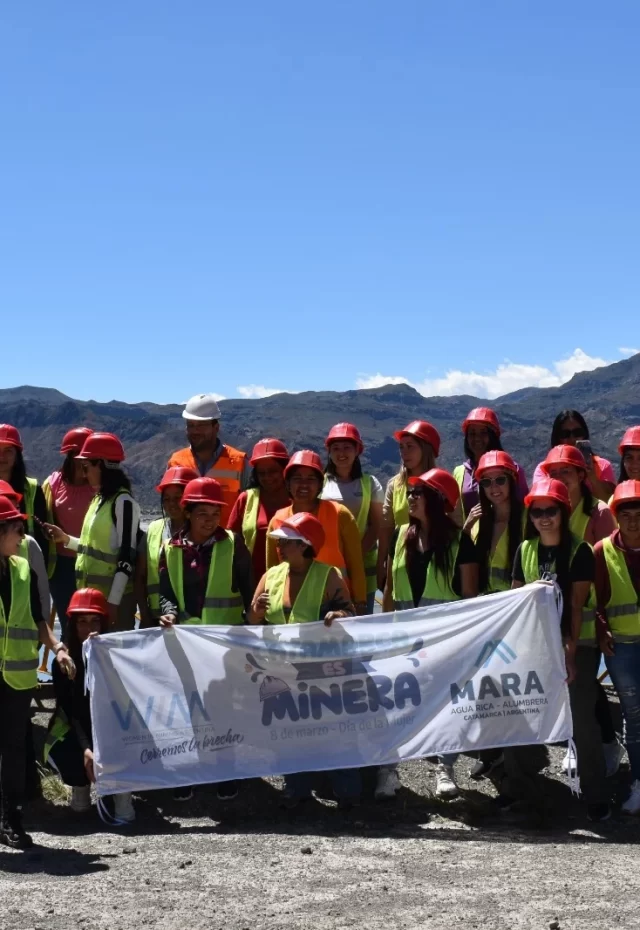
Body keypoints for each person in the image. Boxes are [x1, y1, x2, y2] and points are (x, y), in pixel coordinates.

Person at [510, 478, 610, 823]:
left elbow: (577, 607)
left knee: (581, 720)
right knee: (524, 716)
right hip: (536, 647)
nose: (543, 518)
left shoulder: (580, 550)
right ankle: (530, 795)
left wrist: (568, 656)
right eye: (537, 512)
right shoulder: (525, 550)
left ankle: (596, 796)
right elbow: (516, 601)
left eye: (550, 510)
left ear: (563, 512)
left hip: (575, 645)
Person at [249, 511, 360, 807]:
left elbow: (349, 613)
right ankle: (297, 789)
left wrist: (338, 615)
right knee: (289, 730)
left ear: (304, 545)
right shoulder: (271, 576)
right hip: (281, 671)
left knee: (330, 728)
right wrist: (256, 612)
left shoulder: (329, 575)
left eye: (286, 542)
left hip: (320, 673)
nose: (279, 547)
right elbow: (252, 621)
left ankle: (344, 789)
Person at [383, 468, 479, 800]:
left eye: (418, 493)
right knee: (395, 705)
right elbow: (389, 589)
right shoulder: (400, 536)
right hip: (404, 640)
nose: (410, 498)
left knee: (446, 707)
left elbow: (468, 598)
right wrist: (382, 632)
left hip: (444, 645)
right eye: (410, 492)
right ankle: (388, 770)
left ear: (437, 501)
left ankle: (445, 767)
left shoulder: (459, 543)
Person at [158, 476, 253, 802]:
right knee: (188, 710)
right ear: (188, 513)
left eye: (215, 513)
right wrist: (169, 612)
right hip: (185, 645)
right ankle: (189, 772)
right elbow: (167, 592)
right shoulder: (170, 549)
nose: (210, 520)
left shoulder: (233, 544)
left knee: (223, 709)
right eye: (203, 514)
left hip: (222, 645)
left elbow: (248, 587)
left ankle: (225, 772)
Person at [539, 444, 623, 775]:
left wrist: (602, 620)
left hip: (586, 620)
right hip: (553, 620)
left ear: (581, 475)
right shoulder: (547, 510)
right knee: (568, 688)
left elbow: (608, 564)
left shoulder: (599, 512)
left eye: (567, 472)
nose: (561, 477)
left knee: (586, 689)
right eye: (554, 472)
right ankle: (580, 745)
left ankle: (606, 744)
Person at [0, 494, 75, 849]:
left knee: (15, 749)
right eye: (16, 529)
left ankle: (10, 818)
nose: (21, 536)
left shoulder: (22, 570)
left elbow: (38, 621)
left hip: (16, 677)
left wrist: (58, 647)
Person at [44, 587, 135, 823]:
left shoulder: (119, 654)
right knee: (64, 746)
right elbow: (70, 710)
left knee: (130, 737)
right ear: (72, 625)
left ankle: (122, 793)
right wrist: (87, 750)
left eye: (95, 620)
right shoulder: (63, 662)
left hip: (114, 723)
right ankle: (80, 787)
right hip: (78, 725)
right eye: (82, 621)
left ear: (105, 623)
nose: (89, 628)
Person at [45, 432, 140, 632]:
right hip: (93, 600)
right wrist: (66, 539)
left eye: (87, 467)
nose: (85, 473)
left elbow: (126, 558)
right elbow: (95, 549)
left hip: (114, 602)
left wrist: (113, 603)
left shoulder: (123, 503)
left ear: (101, 465)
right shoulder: (99, 500)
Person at [266, 451, 367, 613]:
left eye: (311, 479)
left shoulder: (340, 514)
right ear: (288, 484)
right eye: (297, 479)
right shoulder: (277, 520)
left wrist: (360, 603)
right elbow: (271, 572)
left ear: (320, 485)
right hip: (290, 607)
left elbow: (356, 566)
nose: (303, 485)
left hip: (333, 607)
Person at [595, 481, 640, 814]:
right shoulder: (602, 551)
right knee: (634, 717)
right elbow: (593, 600)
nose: (634, 521)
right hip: (621, 648)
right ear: (616, 516)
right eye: (626, 514)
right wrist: (600, 629)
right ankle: (638, 782)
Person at [321, 423, 383, 614]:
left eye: (347, 447)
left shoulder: (370, 483)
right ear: (329, 452)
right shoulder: (319, 482)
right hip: (325, 567)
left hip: (363, 566)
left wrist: (354, 556)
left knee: (361, 623)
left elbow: (376, 525)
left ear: (357, 450)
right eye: (336, 448)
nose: (342, 453)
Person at [43, 428, 95, 638]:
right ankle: (68, 667)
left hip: (93, 564)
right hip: (61, 568)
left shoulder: (100, 487)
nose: (83, 460)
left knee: (92, 622)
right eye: (78, 455)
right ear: (69, 456)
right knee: (69, 623)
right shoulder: (53, 483)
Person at [167, 393, 249, 526]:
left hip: (226, 543)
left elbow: (251, 509)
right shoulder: (176, 462)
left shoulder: (239, 462)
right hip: (186, 544)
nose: (195, 431)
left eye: (201, 425)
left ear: (216, 427)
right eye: (191, 425)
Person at [378, 420, 441, 592]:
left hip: (437, 562)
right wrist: (381, 564)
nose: (404, 452)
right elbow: (386, 528)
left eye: (410, 446)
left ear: (426, 449)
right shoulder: (394, 485)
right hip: (399, 561)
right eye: (401, 447)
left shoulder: (441, 484)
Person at [135, 465, 199, 627]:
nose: (172, 504)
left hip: (194, 622)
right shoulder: (153, 531)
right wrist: (145, 615)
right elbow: (140, 577)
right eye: (167, 499)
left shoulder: (203, 533)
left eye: (178, 497)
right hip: (158, 619)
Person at [227, 438, 290, 585]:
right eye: (262, 473)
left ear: (285, 470)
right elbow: (231, 542)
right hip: (252, 581)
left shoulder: (298, 499)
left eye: (273, 471)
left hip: (292, 582)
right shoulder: (246, 499)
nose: (267, 477)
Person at [452, 408, 528, 522]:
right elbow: (456, 516)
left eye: (483, 433)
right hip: (470, 538)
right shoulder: (459, 472)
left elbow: (524, 509)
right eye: (472, 433)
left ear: (493, 436)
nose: (477, 438)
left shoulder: (513, 469)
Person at [532, 410, 615, 502]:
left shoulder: (602, 466)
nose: (572, 439)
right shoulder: (544, 469)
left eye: (577, 433)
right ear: (557, 438)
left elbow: (608, 502)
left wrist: (592, 477)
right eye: (565, 434)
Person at [0, 424, 50, 568]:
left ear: (17, 456)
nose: (2, 457)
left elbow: (42, 537)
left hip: (26, 567)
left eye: (8, 451)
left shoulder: (33, 489)